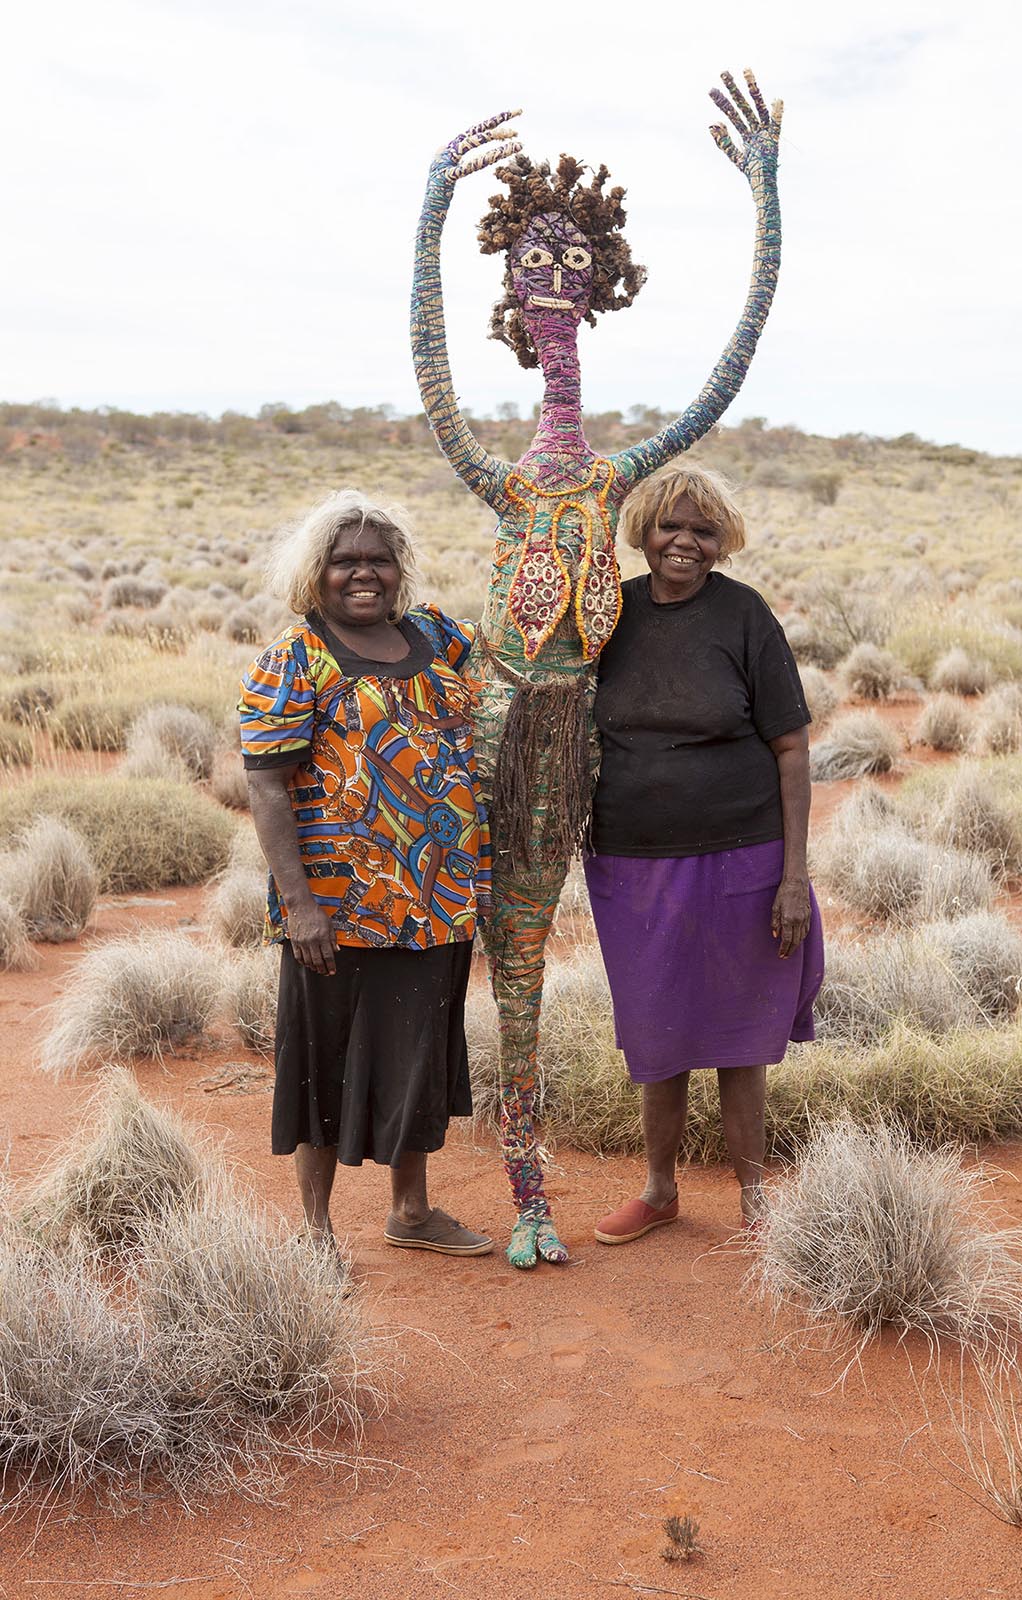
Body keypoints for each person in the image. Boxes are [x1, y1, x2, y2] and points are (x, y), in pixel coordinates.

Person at [410, 70, 785, 1269]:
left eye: (574, 259)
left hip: (593, 756)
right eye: (536, 261)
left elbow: (729, 371)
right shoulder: (505, 476)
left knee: (642, 977)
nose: (556, 277)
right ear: (513, 288)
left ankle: (698, 1183)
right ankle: (526, 1196)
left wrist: (767, 201)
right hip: (498, 731)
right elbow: (431, 375)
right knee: (509, 964)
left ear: (602, 281)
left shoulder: (618, 476)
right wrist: (430, 210)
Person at [239, 488, 494, 1266]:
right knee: (323, 1061)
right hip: (337, 911)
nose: (363, 573)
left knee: (420, 1053)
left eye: (378, 559)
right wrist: (299, 905)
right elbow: (266, 784)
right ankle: (315, 1232)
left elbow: (516, 665)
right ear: (315, 574)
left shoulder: (439, 638)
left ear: (399, 569)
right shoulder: (297, 659)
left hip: (437, 900)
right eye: (344, 561)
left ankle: (410, 1211)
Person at [584, 464, 824, 1242]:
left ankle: (756, 1199)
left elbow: (791, 749)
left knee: (738, 1032)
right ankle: (659, 1191)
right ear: (643, 530)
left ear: (723, 542)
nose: (684, 541)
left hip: (743, 858)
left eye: (703, 530)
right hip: (632, 859)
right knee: (655, 1029)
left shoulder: (744, 616)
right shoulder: (608, 614)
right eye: (670, 526)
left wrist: (794, 878)